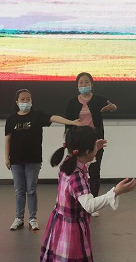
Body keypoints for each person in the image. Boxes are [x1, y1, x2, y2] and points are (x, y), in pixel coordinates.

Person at [37, 126, 136, 262]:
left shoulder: (68, 163)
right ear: (86, 151)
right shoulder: (77, 175)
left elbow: (82, 159)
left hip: (59, 230)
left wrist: (92, 148)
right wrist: (114, 192)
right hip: (72, 234)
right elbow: (89, 205)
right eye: (93, 148)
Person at [5, 89, 82, 231]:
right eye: (22, 99)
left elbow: (54, 118)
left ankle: (32, 218)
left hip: (33, 160)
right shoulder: (11, 119)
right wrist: (7, 158)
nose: (25, 102)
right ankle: (19, 218)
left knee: (31, 190)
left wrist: (71, 122)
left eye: (28, 99)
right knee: (19, 190)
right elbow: (8, 139)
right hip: (16, 160)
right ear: (17, 102)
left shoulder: (37, 116)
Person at [65, 73, 117, 217]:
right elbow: (68, 123)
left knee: (94, 171)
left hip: (95, 140)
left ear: (92, 84)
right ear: (77, 85)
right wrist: (67, 141)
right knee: (77, 172)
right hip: (77, 140)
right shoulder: (72, 102)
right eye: (81, 83)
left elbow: (113, 106)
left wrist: (111, 107)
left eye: (86, 82)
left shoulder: (99, 99)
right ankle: (79, 201)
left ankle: (93, 204)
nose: (84, 85)